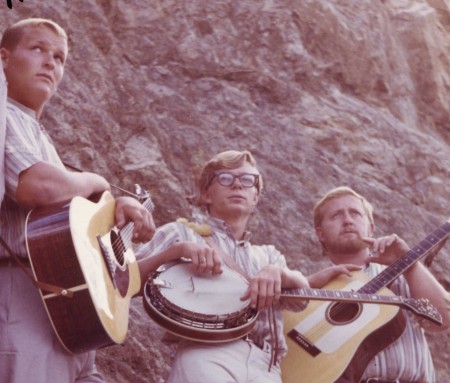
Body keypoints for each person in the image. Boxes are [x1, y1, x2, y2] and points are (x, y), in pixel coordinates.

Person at [0, 18, 155, 382]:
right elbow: (36, 187)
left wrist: (114, 204)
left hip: (69, 310)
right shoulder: (6, 116)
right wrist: (99, 182)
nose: (51, 62)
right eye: (37, 49)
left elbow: (65, 220)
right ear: (4, 58)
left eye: (59, 57)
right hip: (22, 292)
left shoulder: (37, 133)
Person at [137, 150, 358, 383]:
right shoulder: (180, 233)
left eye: (247, 180)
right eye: (225, 178)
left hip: (267, 366)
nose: (237, 185)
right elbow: (122, 280)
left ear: (255, 197)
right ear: (206, 195)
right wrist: (176, 251)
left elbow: (300, 299)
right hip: (207, 353)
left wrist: (280, 273)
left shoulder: (269, 256)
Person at [312, 186, 450, 383]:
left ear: (371, 228)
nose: (348, 220)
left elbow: (443, 319)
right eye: (336, 215)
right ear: (320, 233)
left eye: (355, 213)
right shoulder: (313, 290)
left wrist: (408, 263)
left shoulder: (406, 277)